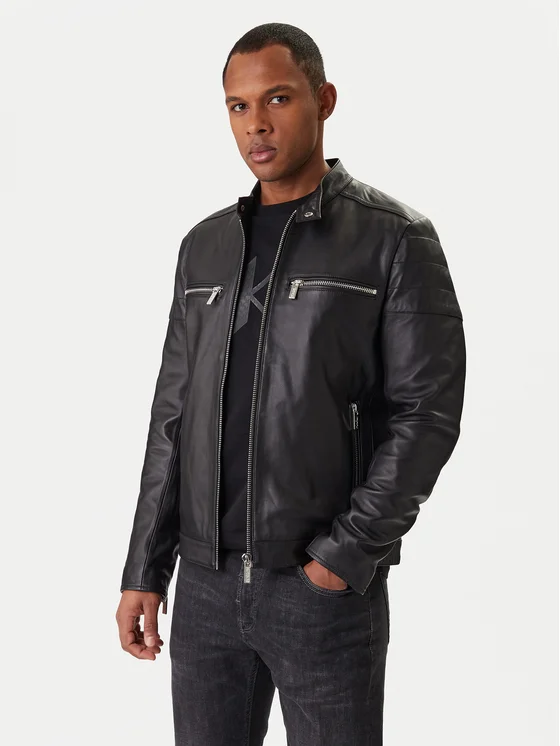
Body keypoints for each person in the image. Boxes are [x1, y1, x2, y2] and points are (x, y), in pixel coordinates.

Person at [115, 21, 466, 746]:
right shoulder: (205, 245)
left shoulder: (393, 238)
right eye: (238, 106)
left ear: (324, 99)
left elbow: (427, 413)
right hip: (205, 590)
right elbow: (173, 414)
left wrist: (343, 557)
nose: (256, 124)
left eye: (277, 98)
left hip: (320, 593)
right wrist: (143, 567)